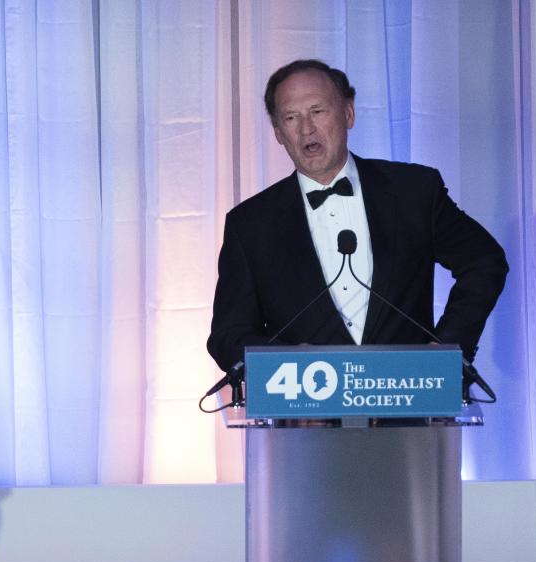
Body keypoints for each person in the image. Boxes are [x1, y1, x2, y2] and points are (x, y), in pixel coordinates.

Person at [207, 59, 508, 379]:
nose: (306, 128)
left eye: (318, 111)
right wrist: (289, 366)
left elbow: (484, 262)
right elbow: (229, 336)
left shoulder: (414, 192)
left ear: (348, 114)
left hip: (409, 408)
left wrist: (447, 349)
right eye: (291, 117)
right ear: (279, 133)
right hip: (306, 417)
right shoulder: (250, 225)